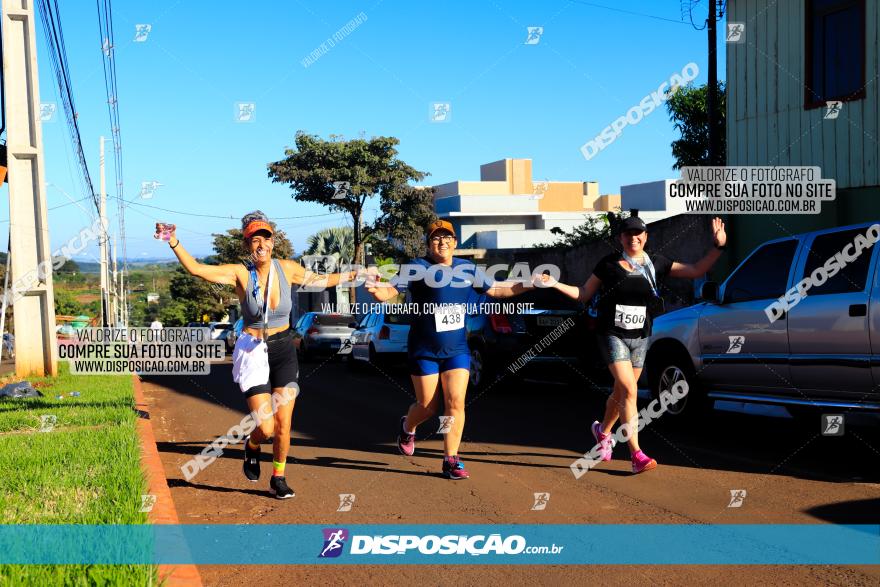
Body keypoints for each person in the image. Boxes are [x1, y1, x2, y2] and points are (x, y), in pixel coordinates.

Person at [160, 211, 355, 498]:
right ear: (247, 245)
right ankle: (252, 445)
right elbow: (197, 270)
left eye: (265, 237)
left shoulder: (286, 269)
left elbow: (322, 280)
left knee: (284, 423)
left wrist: (356, 274)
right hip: (253, 352)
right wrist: (173, 240)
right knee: (265, 425)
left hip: (284, 350)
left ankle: (279, 476)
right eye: (254, 239)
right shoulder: (240, 273)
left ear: (273, 242)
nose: (261, 244)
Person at [544, 215, 727, 474]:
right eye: (628, 233)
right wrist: (554, 283)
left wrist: (718, 247)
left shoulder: (656, 263)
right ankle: (636, 455)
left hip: (640, 336)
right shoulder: (608, 264)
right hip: (612, 334)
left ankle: (602, 431)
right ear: (620, 238)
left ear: (645, 237)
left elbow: (696, 270)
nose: (634, 237)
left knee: (621, 393)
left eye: (638, 233)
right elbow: (584, 293)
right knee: (629, 390)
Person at [365, 220, 532, 479]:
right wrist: (377, 290)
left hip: (457, 349)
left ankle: (450, 459)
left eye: (446, 237)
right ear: (428, 243)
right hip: (424, 349)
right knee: (428, 407)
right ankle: (408, 426)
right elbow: (390, 291)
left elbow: (499, 289)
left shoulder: (467, 268)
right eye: (435, 238)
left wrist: (531, 283)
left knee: (455, 403)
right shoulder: (417, 267)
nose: (441, 242)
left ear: (455, 242)